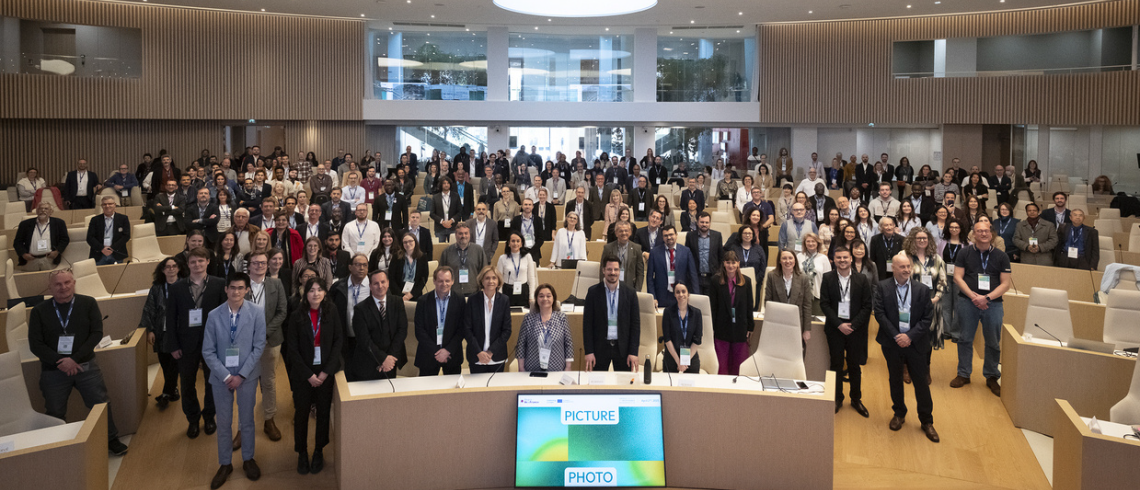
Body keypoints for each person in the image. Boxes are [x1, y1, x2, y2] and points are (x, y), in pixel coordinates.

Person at [28, 269, 130, 456]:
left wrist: (73, 359)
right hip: (54, 370)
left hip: (85, 365)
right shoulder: (39, 311)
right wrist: (62, 361)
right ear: (50, 287)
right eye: (58, 284)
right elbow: (36, 344)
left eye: (67, 282)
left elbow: (96, 334)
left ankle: (111, 439)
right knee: (54, 411)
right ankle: (58, 448)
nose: (63, 287)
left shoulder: (88, 303)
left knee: (100, 404)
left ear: (74, 283)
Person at [201, 273, 266, 488]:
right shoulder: (213, 315)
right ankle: (225, 463)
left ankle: (248, 458)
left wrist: (241, 375)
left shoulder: (256, 313)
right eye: (232, 288)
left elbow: (259, 347)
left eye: (241, 288)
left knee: (246, 420)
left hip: (246, 376)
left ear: (247, 290)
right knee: (224, 422)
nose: (236, 292)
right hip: (221, 377)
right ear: (226, 289)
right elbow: (208, 351)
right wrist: (227, 376)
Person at [873, 254, 939, 443]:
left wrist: (909, 336)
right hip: (891, 342)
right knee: (895, 379)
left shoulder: (922, 289)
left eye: (908, 266)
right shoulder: (882, 286)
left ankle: (927, 421)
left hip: (916, 342)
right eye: (901, 267)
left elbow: (927, 318)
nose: (906, 270)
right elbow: (879, 313)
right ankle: (899, 413)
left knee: (921, 382)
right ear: (893, 268)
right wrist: (897, 335)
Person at [165, 248, 227, 439]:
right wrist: (173, 346)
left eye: (201, 261)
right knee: (187, 384)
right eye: (193, 262)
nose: (197, 265)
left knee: (213, 383)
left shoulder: (219, 284)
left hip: (213, 344)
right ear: (188, 264)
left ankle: (209, 416)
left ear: (208, 261)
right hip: (185, 345)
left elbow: (225, 316)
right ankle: (193, 419)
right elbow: (171, 318)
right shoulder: (177, 287)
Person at [284, 277, 342, 476]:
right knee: (301, 413)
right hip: (303, 374)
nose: (315, 293)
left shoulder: (331, 312)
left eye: (319, 290)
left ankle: (319, 450)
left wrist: (326, 372)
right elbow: (291, 349)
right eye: (311, 290)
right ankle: (302, 451)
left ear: (325, 292)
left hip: (325, 372)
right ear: (304, 293)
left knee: (323, 412)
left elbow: (337, 342)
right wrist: (308, 374)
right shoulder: (296, 316)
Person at [951, 221, 1012, 397]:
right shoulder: (964, 253)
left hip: (993, 304)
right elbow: (957, 277)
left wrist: (986, 298)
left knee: (992, 341)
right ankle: (963, 373)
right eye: (979, 231)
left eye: (986, 231)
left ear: (991, 234)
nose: (983, 234)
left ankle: (992, 376)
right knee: (964, 339)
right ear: (974, 234)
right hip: (967, 302)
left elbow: (1005, 284)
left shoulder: (1001, 256)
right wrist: (973, 297)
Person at [239, 251, 288, 448]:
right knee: (246, 385)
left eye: (263, 262)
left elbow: (282, 311)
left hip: (271, 340)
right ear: (248, 266)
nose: (259, 265)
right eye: (255, 262)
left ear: (268, 265)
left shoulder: (276, 284)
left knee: (268, 381)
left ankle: (269, 420)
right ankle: (243, 427)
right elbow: (234, 310)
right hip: (246, 343)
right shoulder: (241, 286)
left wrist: (264, 332)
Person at [820, 246, 872, 417]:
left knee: (854, 365)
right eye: (838, 258)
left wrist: (853, 325)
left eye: (845, 257)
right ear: (833, 260)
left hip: (855, 329)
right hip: (835, 329)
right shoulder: (827, 278)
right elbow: (824, 304)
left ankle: (856, 399)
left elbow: (867, 306)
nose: (842, 260)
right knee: (835, 364)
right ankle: (837, 398)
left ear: (851, 259)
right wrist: (839, 325)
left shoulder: (862, 279)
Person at [140, 258, 185, 410]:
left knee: (175, 363)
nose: (171, 269)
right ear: (163, 270)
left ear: (178, 269)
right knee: (166, 364)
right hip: (162, 331)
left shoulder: (186, 285)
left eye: (174, 266)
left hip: (180, 332)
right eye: (168, 267)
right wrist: (150, 330)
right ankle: (173, 390)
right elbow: (149, 309)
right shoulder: (157, 288)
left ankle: (166, 393)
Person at [582, 258, 641, 372]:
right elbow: (587, 324)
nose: (612, 272)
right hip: (600, 348)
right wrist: (589, 351)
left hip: (623, 348)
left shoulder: (630, 293)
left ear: (620, 271)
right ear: (603, 270)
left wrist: (633, 352)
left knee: (624, 386)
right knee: (597, 386)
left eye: (616, 269)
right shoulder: (593, 292)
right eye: (609, 269)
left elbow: (635, 325)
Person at [905, 228, 947, 385]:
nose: (922, 240)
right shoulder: (906, 257)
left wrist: (936, 298)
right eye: (918, 238)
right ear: (913, 240)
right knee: (910, 335)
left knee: (928, 338)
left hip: (932, 305)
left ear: (929, 240)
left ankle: (925, 369)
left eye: (924, 238)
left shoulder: (937, 259)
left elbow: (943, 280)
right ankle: (906, 368)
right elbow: (901, 279)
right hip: (911, 305)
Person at [353, 269, 408, 380]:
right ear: (370, 286)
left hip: (391, 362)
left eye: (383, 282)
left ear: (388, 283)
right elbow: (364, 340)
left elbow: (402, 330)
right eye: (376, 283)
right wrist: (383, 359)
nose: (380, 286)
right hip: (369, 363)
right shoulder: (360, 309)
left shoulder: (398, 302)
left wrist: (390, 358)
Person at [708, 250, 754, 375]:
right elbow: (712, 307)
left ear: (738, 264)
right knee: (721, 365)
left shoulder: (747, 282)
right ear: (724, 264)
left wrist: (750, 326)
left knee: (739, 365)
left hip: (740, 328)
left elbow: (750, 306)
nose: (731, 266)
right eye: (728, 262)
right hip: (721, 327)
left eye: (733, 263)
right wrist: (712, 327)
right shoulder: (715, 281)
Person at [414, 266, 465, 376]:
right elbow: (419, 330)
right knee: (427, 390)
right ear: (434, 281)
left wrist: (447, 351)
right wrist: (436, 352)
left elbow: (462, 329)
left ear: (452, 281)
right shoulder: (423, 301)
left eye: (447, 281)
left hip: (452, 354)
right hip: (428, 355)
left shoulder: (460, 300)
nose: (444, 284)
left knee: (452, 391)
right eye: (440, 281)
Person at [463, 267, 512, 374]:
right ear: (482, 281)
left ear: (498, 281)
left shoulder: (504, 300)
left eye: (494, 278)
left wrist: (491, 352)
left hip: (497, 357)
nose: (491, 281)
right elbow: (467, 329)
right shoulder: (472, 300)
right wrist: (479, 352)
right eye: (487, 278)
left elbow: (507, 331)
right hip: (477, 357)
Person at [516, 284, 574, 372]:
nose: (545, 299)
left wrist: (568, 367)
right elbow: (521, 345)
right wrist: (521, 367)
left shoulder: (561, 317)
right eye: (541, 296)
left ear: (553, 298)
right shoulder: (528, 318)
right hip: (532, 369)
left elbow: (568, 344)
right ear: (536, 299)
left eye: (548, 296)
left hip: (556, 368)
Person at [328, 254, 369, 380]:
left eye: (364, 265)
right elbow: (330, 312)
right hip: (346, 338)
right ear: (350, 267)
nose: (361, 268)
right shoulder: (338, 287)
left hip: (368, 339)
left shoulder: (375, 286)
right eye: (358, 264)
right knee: (349, 373)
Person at [765, 249, 815, 348]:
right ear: (779, 261)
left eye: (790, 258)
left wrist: (807, 330)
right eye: (784, 258)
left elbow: (807, 305)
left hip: (797, 324)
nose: (787, 261)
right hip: (777, 323)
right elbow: (767, 302)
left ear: (795, 260)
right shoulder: (772, 276)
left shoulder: (803, 278)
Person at [646, 225, 700, 309]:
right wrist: (653, 297)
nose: (669, 237)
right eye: (666, 235)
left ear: (676, 235)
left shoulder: (686, 251)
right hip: (662, 296)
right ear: (662, 237)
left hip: (681, 295)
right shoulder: (654, 253)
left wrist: (696, 297)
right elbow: (649, 277)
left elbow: (693, 275)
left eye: (671, 234)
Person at [14, 201, 70, 272]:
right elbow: (17, 242)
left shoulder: (59, 223)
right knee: (30, 281)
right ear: (37, 211)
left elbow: (65, 239)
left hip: (49, 260)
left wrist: (57, 251)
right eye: (40, 209)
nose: (43, 211)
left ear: (51, 212)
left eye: (46, 209)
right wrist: (23, 254)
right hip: (30, 260)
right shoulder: (25, 224)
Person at [661, 283, 702, 374]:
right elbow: (667, 339)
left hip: (691, 357)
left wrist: (685, 361)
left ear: (688, 294)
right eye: (678, 292)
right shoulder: (668, 312)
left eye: (683, 291)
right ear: (674, 295)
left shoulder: (697, 313)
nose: (681, 294)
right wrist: (678, 361)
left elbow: (697, 340)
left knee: (691, 387)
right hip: (672, 357)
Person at [438, 222, 487, 298]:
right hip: (453, 293)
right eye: (460, 233)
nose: (463, 236)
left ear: (469, 234)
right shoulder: (447, 252)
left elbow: (484, 271)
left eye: (466, 233)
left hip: (473, 293)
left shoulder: (478, 250)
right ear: (455, 235)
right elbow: (441, 273)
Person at [497, 231, 539, 307]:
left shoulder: (527, 256)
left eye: (518, 241)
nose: (515, 243)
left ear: (521, 243)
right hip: (508, 290)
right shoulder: (502, 258)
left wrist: (531, 296)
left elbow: (531, 278)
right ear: (508, 243)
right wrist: (500, 296)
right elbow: (499, 279)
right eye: (513, 241)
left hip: (523, 291)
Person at [601, 221, 645, 291]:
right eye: (620, 231)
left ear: (630, 232)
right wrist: (603, 288)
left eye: (626, 231)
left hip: (630, 288)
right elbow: (602, 270)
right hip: (611, 287)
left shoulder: (637, 248)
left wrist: (637, 291)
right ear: (616, 233)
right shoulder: (608, 248)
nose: (624, 233)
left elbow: (640, 273)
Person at [86, 196, 131, 265]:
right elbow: (90, 237)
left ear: (115, 205)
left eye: (110, 204)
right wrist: (102, 248)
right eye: (105, 204)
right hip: (99, 254)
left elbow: (126, 236)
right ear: (101, 206)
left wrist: (112, 248)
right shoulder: (95, 220)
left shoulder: (123, 219)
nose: (107, 206)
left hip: (116, 253)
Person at [797, 232, 831, 314]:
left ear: (817, 243)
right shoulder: (799, 256)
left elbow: (829, 279)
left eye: (813, 241)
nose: (810, 243)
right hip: (800, 295)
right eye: (808, 241)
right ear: (804, 243)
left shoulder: (823, 258)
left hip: (817, 295)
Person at [390, 232, 428, 301]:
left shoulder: (422, 257)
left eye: (410, 241)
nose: (408, 244)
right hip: (398, 295)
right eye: (405, 242)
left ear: (415, 242)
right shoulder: (396, 257)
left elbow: (424, 279)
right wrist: (401, 296)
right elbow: (391, 278)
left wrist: (411, 294)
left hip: (416, 294)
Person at [513, 198, 546, 263]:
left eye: (529, 204)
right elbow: (513, 236)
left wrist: (532, 250)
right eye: (525, 204)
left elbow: (541, 238)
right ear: (522, 206)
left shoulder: (538, 220)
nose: (527, 206)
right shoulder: (516, 220)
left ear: (532, 207)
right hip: (519, 251)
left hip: (534, 252)